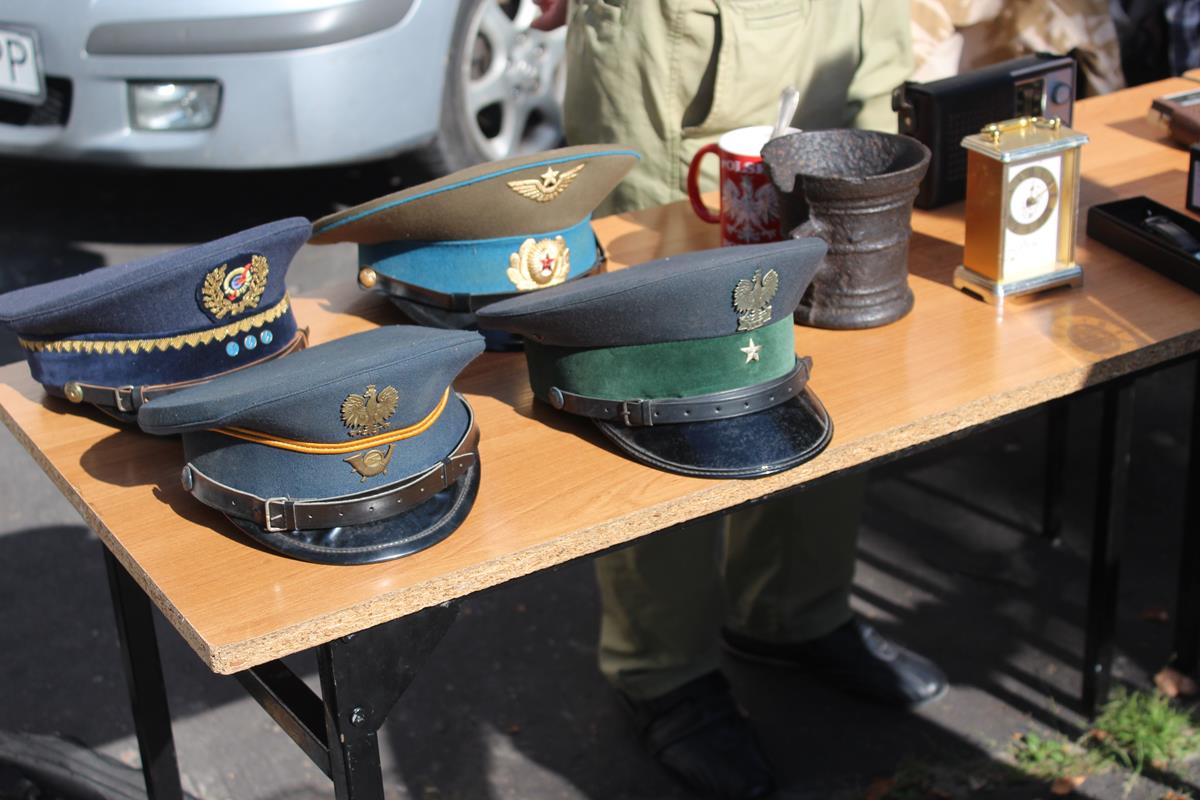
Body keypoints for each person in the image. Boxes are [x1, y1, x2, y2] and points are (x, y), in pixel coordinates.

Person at [533, 3, 948, 798]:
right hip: (693, 35)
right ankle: (663, 670)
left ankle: (793, 610)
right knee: (674, 344)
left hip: (853, 21)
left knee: (838, 305)